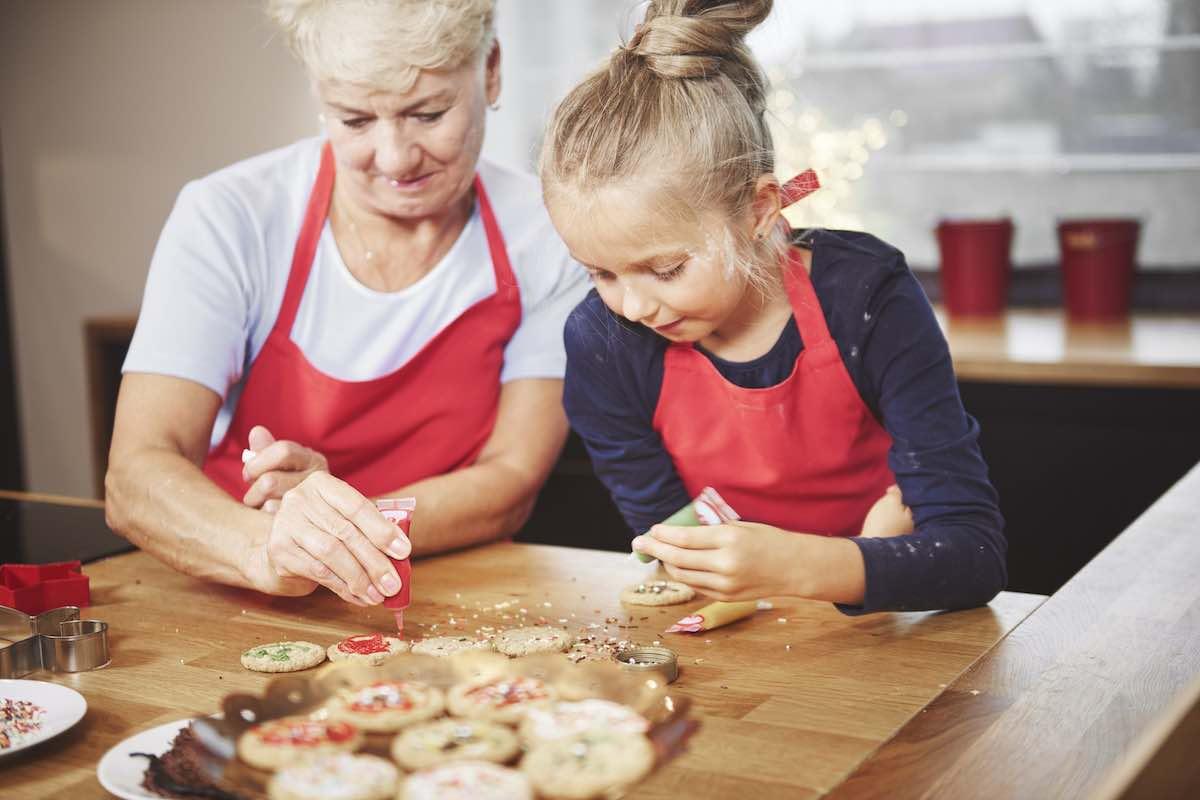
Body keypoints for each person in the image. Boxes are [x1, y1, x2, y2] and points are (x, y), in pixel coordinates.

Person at [105, 0, 587, 608]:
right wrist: (269, 547)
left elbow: (511, 480)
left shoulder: (547, 235)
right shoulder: (231, 217)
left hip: (449, 591)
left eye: (428, 113)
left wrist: (343, 523)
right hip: (236, 583)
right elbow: (136, 473)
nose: (394, 157)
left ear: (490, 70)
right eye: (356, 121)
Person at [538, 0, 1005, 613]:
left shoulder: (868, 299)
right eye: (599, 272)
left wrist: (814, 566)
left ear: (759, 209)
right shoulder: (605, 342)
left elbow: (973, 555)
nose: (631, 306)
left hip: (891, 626)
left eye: (666, 269)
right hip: (754, 632)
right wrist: (712, 566)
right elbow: (675, 543)